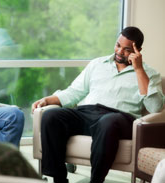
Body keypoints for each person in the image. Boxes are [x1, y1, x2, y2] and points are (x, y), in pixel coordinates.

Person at [32, 26, 165, 183]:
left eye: (127, 49)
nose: (120, 51)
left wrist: (139, 69)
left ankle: (96, 181)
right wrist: (48, 100)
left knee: (108, 121)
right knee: (51, 115)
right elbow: (74, 91)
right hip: (87, 113)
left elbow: (155, 107)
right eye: (118, 45)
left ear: (138, 50)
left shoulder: (149, 73)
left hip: (119, 119)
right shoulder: (97, 64)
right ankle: (59, 179)